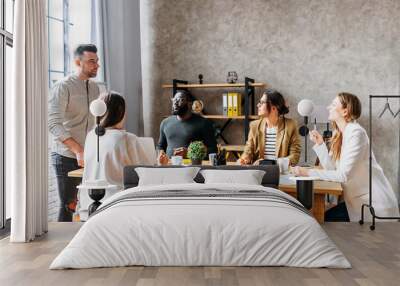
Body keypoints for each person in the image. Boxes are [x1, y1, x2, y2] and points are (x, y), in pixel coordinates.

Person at [293, 92, 400, 222]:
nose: (328, 107)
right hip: (357, 203)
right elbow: (332, 170)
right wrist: (320, 144)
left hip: (375, 206)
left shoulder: (356, 133)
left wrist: (307, 172)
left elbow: (343, 175)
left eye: (333, 105)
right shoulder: (339, 134)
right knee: (320, 220)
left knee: (322, 221)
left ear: (345, 111)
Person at [79, 92, 156, 221]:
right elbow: (147, 172)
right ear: (120, 112)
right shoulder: (125, 138)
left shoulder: (91, 136)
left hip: (87, 205)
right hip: (117, 205)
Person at [48, 44, 100, 222]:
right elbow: (53, 123)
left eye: (97, 61)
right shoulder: (63, 87)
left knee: (88, 202)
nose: (97, 65)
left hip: (89, 156)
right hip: (65, 156)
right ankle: (63, 247)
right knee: (69, 205)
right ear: (78, 62)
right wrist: (78, 150)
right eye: (91, 61)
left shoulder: (95, 88)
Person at [238, 88, 301, 166]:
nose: (258, 105)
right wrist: (244, 159)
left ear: (274, 108)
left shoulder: (291, 125)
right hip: (259, 172)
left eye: (262, 102)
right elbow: (248, 150)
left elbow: (295, 155)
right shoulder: (254, 125)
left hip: (280, 172)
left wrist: (270, 163)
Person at [158, 90, 218, 164]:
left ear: (190, 104)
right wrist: (160, 155)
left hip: (193, 169)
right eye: (174, 99)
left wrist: (189, 153)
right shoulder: (165, 123)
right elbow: (160, 146)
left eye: (180, 100)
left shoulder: (203, 123)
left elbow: (213, 150)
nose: (175, 103)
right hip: (170, 167)